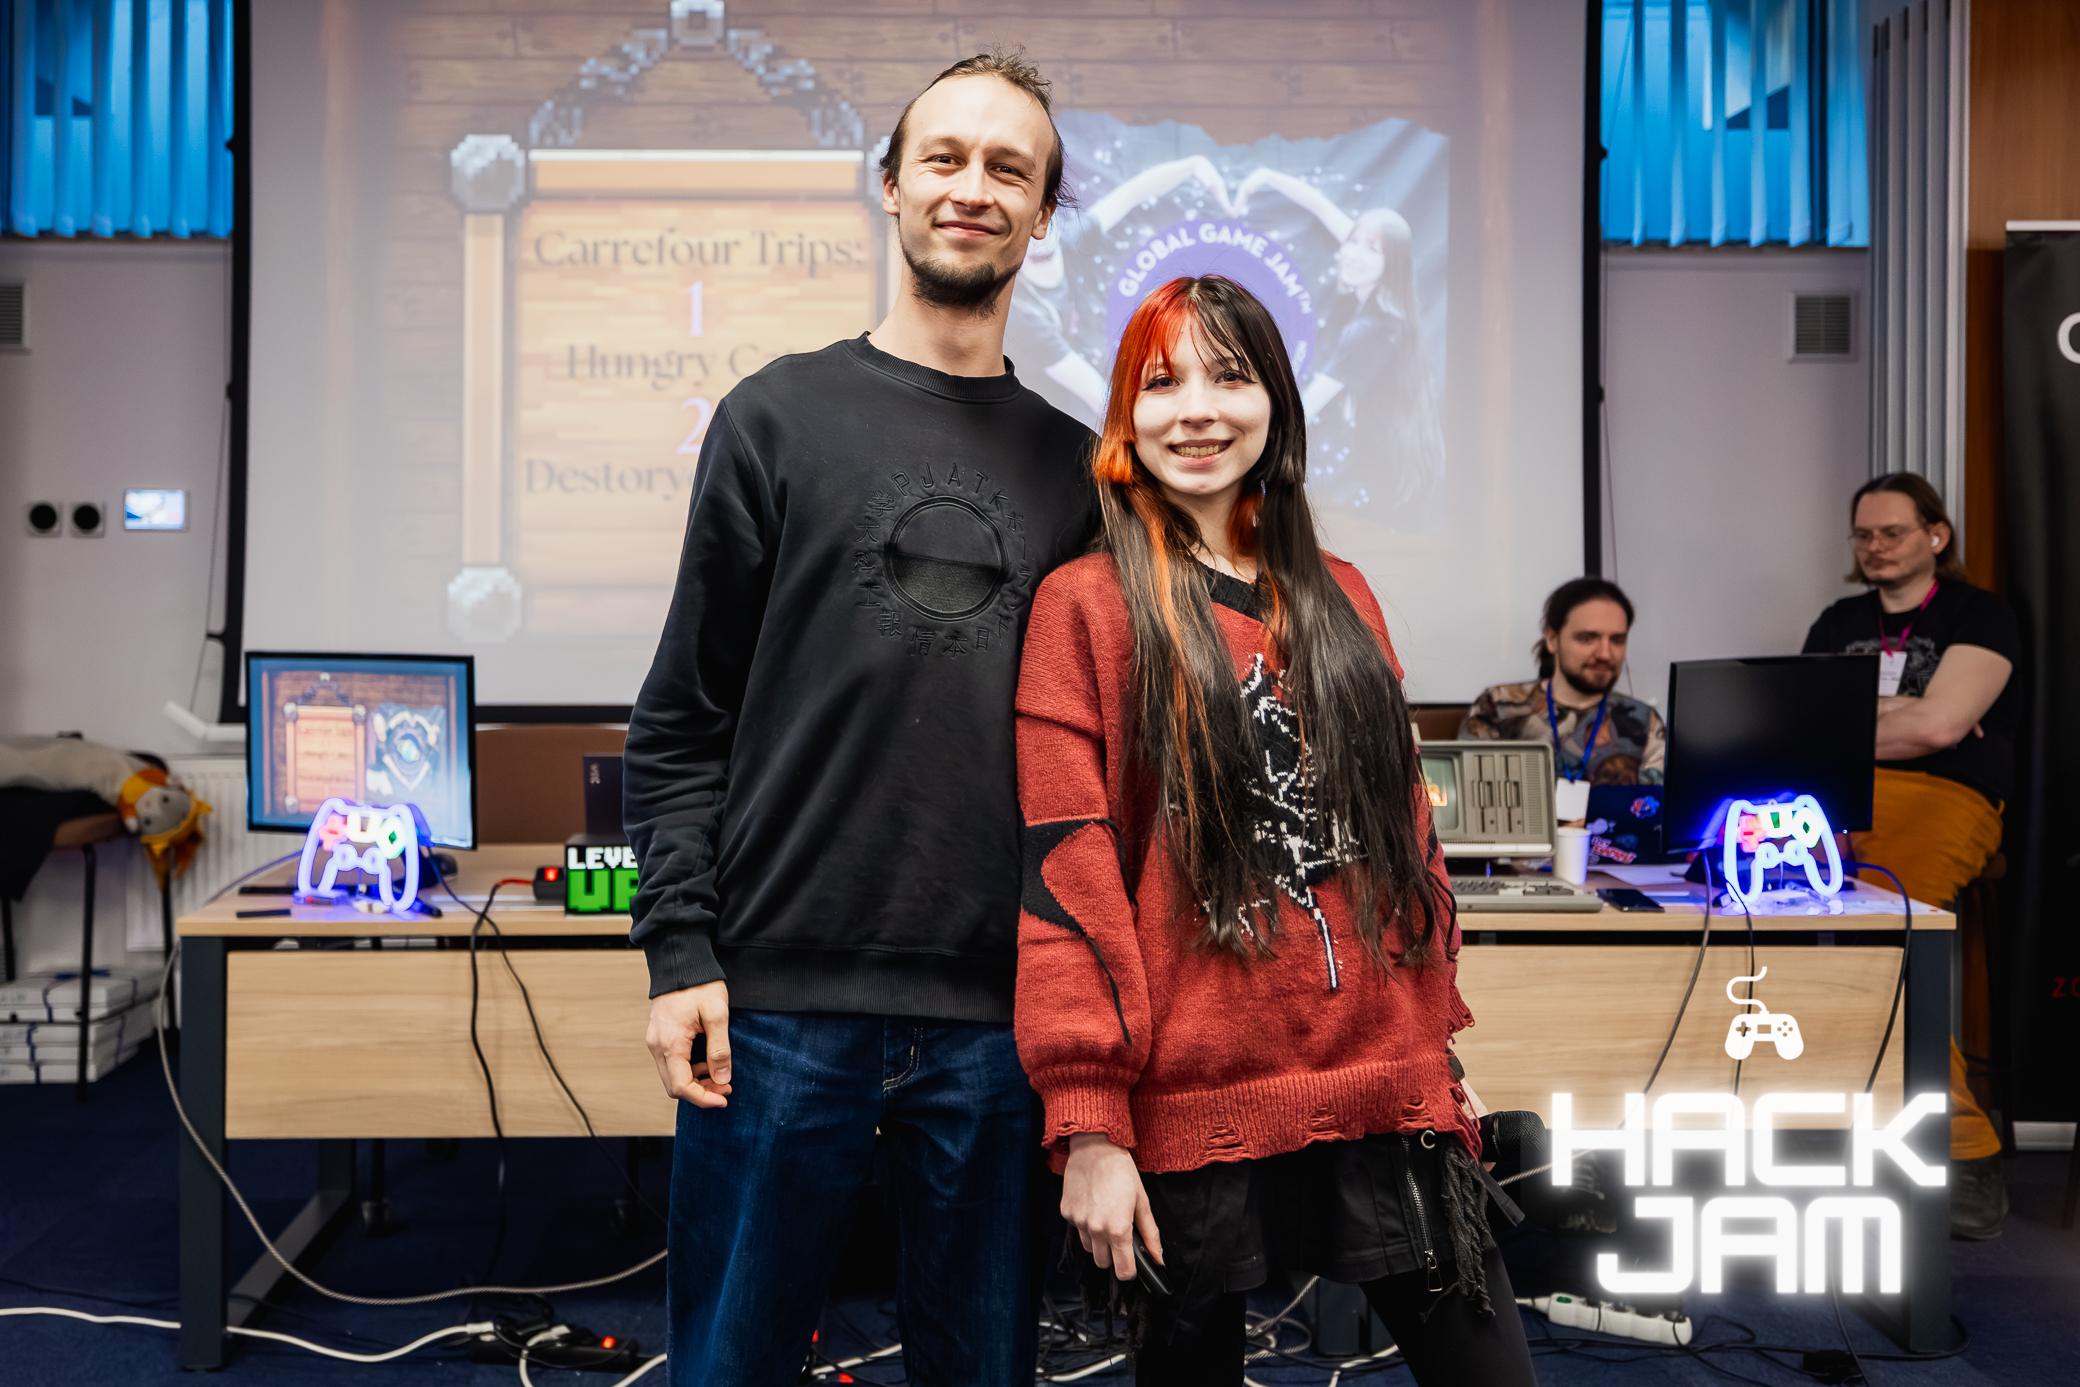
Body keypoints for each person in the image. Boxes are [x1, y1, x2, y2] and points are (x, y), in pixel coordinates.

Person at [623, 50, 1096, 1385]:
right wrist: (679, 952)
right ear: (891, 185)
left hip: (998, 1018)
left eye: (1008, 168)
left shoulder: (1079, 470)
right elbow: (682, 717)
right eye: (944, 158)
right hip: (776, 1002)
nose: (972, 187)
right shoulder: (774, 418)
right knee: (729, 1364)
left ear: (1041, 214)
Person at [1013, 275, 1537, 1385]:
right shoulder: (1085, 604)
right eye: (1163, 383)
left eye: (1230, 377)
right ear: (1126, 413)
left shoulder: (1344, 594)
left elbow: (1405, 847)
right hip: (1188, 1099)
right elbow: (1069, 875)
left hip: (1382, 1078)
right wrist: (1091, 1125)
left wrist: (1434, 1053)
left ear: (1276, 404)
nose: (1196, 410)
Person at [1801, 472, 2019, 1240]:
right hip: (1835, 797)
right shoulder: (1838, 621)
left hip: (1944, 795)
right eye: (1864, 534)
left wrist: (1896, 719)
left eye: (1892, 531)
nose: (1875, 546)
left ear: (1936, 534)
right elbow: (1806, 722)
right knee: (1747, 904)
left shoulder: (1979, 613)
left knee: (1891, 936)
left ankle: (1965, 1148)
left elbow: (1938, 730)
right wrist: (1908, 711)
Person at [1234, 170, 1445, 515]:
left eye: (1371, 250)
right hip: (1384, 460)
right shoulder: (1389, 305)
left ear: (1391, 262)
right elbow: (1320, 206)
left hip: (1383, 473)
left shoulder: (1372, 329)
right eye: (1353, 242)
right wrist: (1267, 176)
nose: (1354, 254)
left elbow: (1305, 407)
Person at [1461, 577, 1665, 788]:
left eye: (1617, 640)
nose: (1605, 654)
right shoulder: (1497, 706)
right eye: (1587, 638)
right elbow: (1470, 791)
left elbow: (1657, 801)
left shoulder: (1644, 720)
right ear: (1552, 640)